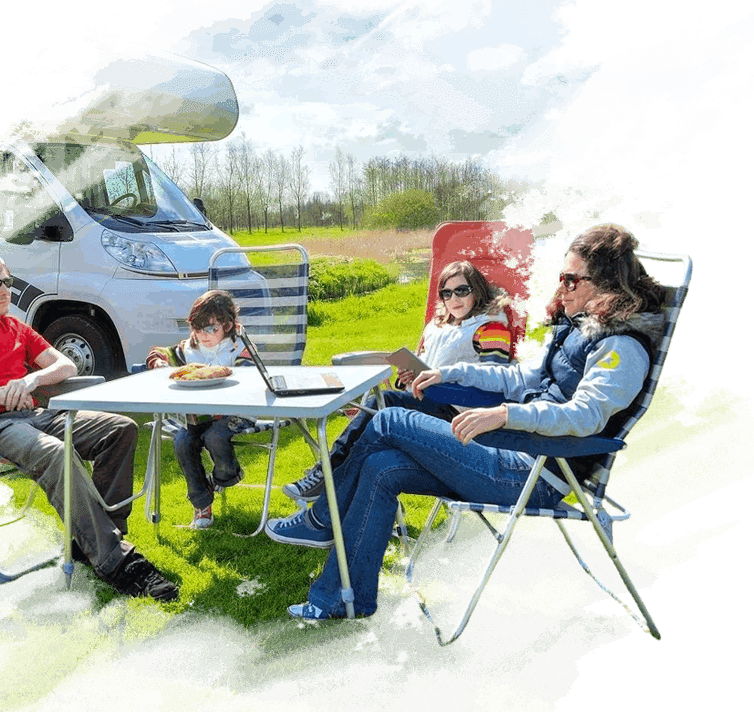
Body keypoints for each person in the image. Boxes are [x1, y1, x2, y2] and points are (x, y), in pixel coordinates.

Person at [266, 223, 667, 620]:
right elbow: (517, 376)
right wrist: (451, 374)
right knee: (378, 467)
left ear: (605, 284)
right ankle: (338, 601)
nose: (560, 288)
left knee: (388, 419)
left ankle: (321, 518)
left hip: (534, 474)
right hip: (506, 450)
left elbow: (585, 415)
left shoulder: (623, 347)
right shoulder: (574, 330)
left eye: (569, 279)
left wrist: (505, 413)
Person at [0, 241, 178, 601]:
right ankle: (119, 563)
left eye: (7, 282)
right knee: (55, 453)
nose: (4, 290)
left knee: (120, 429)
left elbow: (65, 364)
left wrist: (31, 380)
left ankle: (96, 540)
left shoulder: (16, 328)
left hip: (33, 413)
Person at [273, 260, 513, 513]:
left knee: (381, 403)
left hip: (458, 414)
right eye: (447, 293)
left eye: (462, 290)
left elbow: (493, 382)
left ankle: (325, 475)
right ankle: (335, 502)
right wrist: (407, 377)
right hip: (426, 402)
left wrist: (440, 378)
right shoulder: (438, 326)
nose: (454, 299)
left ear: (476, 290)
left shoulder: (490, 327)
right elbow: (423, 369)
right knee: (372, 438)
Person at [146, 290, 253, 529]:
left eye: (210, 329)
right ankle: (201, 503)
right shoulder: (188, 349)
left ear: (227, 325)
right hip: (197, 415)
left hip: (234, 413)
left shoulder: (239, 347)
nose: (203, 335)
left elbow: (250, 379)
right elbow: (161, 352)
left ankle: (225, 476)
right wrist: (159, 363)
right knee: (183, 442)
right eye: (197, 328)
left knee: (215, 437)